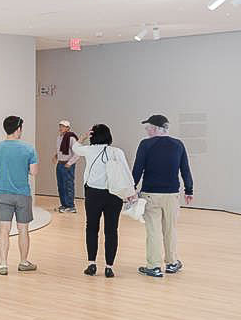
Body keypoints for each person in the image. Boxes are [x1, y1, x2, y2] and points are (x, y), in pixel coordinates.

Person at [132, 114, 193, 278]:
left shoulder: (145, 144)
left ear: (156, 128)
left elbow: (138, 169)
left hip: (150, 194)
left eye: (148, 128)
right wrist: (189, 190)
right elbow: (185, 170)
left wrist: (132, 189)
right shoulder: (178, 145)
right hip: (171, 195)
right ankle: (172, 263)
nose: (147, 131)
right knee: (170, 230)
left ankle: (154, 266)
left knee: (153, 231)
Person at [67, 124, 129, 278]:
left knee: (92, 228)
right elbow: (126, 172)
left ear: (93, 136)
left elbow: (75, 148)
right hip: (114, 195)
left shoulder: (89, 150)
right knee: (111, 231)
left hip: (93, 194)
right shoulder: (117, 152)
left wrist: (83, 137)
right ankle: (109, 267)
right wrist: (130, 193)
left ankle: (92, 264)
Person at [0, 115, 39, 275]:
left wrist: (1, 170)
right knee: (23, 229)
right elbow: (34, 172)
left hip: (3, 194)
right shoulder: (29, 149)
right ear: (18, 129)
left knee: (4, 229)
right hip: (22, 195)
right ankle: (23, 262)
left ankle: (3, 264)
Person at [54, 119, 78, 213]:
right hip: (60, 164)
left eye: (63, 126)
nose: (61, 128)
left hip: (67, 165)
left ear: (68, 128)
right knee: (60, 185)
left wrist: (69, 163)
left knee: (68, 185)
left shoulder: (71, 138)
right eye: (60, 126)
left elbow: (77, 153)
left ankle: (71, 206)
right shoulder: (59, 137)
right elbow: (60, 150)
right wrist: (56, 156)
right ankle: (64, 205)